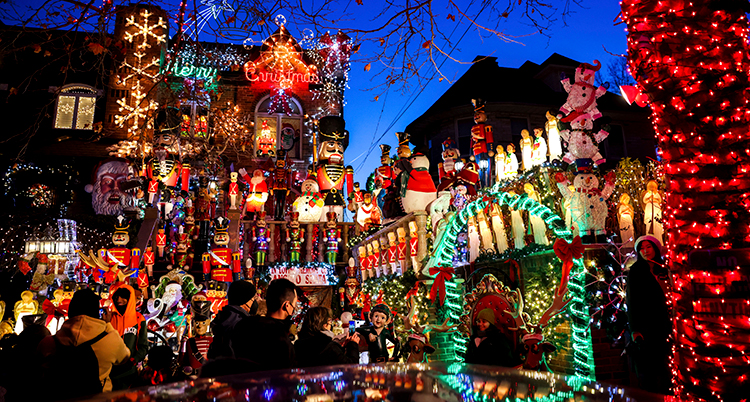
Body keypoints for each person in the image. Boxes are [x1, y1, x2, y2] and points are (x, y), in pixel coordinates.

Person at [37, 289, 130, 399]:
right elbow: (124, 357)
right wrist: (108, 325)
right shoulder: (111, 340)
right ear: (96, 311)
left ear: (71, 310)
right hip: (98, 397)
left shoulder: (49, 342)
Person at [626, 235, 671, 395]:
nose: (645, 251)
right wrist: (635, 329)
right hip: (647, 325)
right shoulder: (636, 271)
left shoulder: (665, 268)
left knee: (667, 367)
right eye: (641, 248)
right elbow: (631, 301)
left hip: (666, 323)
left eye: (648, 247)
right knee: (649, 370)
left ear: (656, 248)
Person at [231, 278, 297, 370]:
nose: (294, 309)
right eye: (294, 305)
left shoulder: (243, 326)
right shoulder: (280, 337)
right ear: (287, 306)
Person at [108, 283, 148, 390]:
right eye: (116, 297)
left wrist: (133, 361)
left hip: (129, 373)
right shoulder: (109, 318)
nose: (119, 300)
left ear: (130, 298)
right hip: (109, 372)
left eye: (123, 297)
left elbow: (143, 347)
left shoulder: (139, 319)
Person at [295, 307, 361, 367]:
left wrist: (342, 348)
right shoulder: (329, 347)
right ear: (324, 325)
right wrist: (353, 345)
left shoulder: (298, 345)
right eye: (330, 321)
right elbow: (352, 366)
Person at [207, 280, 256, 359]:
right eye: (253, 299)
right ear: (244, 300)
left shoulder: (225, 316)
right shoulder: (241, 323)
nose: (254, 302)